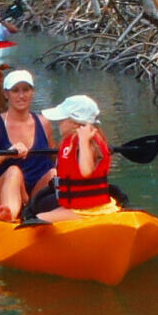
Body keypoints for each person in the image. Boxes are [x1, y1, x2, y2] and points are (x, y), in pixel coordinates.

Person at [0, 68, 56, 222]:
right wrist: (5, 154)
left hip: (35, 193)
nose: (21, 96)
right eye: (15, 91)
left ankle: (46, 214)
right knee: (14, 171)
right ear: (6, 94)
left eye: (25, 90)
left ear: (32, 92)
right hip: (5, 189)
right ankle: (10, 215)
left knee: (54, 173)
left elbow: (57, 158)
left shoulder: (44, 123)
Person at [38, 94, 113, 222]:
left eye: (62, 120)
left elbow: (86, 171)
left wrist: (84, 141)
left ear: (74, 123)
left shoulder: (85, 141)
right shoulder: (76, 140)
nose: (58, 124)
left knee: (37, 219)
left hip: (88, 211)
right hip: (84, 206)